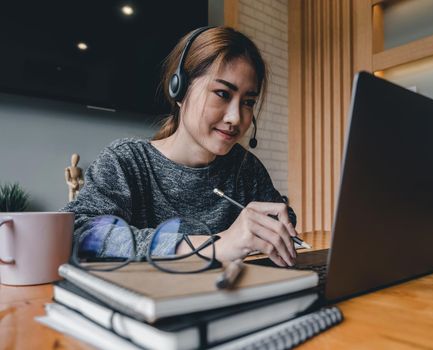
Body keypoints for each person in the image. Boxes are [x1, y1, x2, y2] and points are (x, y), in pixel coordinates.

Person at [62, 26, 297, 267]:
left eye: (248, 102)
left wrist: (276, 224)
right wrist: (211, 247)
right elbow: (81, 232)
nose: (236, 118)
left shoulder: (245, 168)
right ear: (180, 89)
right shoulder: (125, 161)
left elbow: (283, 217)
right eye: (223, 94)